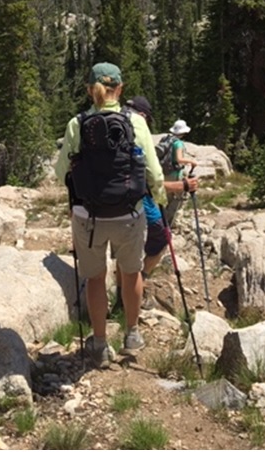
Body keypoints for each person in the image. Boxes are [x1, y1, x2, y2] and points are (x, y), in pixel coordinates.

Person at [55, 64, 167, 368]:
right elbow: (154, 171)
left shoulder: (77, 124)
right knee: (131, 273)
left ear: (91, 90)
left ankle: (101, 343)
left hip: (87, 216)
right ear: (120, 88)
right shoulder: (135, 122)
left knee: (95, 278)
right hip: (129, 213)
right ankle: (132, 333)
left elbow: (60, 172)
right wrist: (160, 196)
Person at [111, 99, 198, 312]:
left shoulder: (103, 128)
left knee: (121, 250)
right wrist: (182, 185)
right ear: (143, 116)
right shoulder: (140, 131)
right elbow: (152, 182)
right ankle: (137, 285)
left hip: (108, 202)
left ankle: (121, 298)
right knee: (163, 239)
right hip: (141, 200)